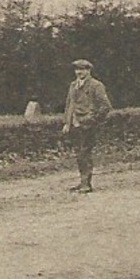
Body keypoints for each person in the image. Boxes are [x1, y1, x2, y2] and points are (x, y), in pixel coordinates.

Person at [61, 58, 112, 192]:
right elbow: (69, 104)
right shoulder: (73, 85)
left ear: (88, 71)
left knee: (85, 153)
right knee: (79, 154)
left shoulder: (96, 85)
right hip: (74, 124)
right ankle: (83, 181)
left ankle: (86, 184)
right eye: (77, 69)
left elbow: (105, 106)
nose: (79, 72)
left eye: (82, 69)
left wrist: (92, 120)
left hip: (88, 125)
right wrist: (67, 122)